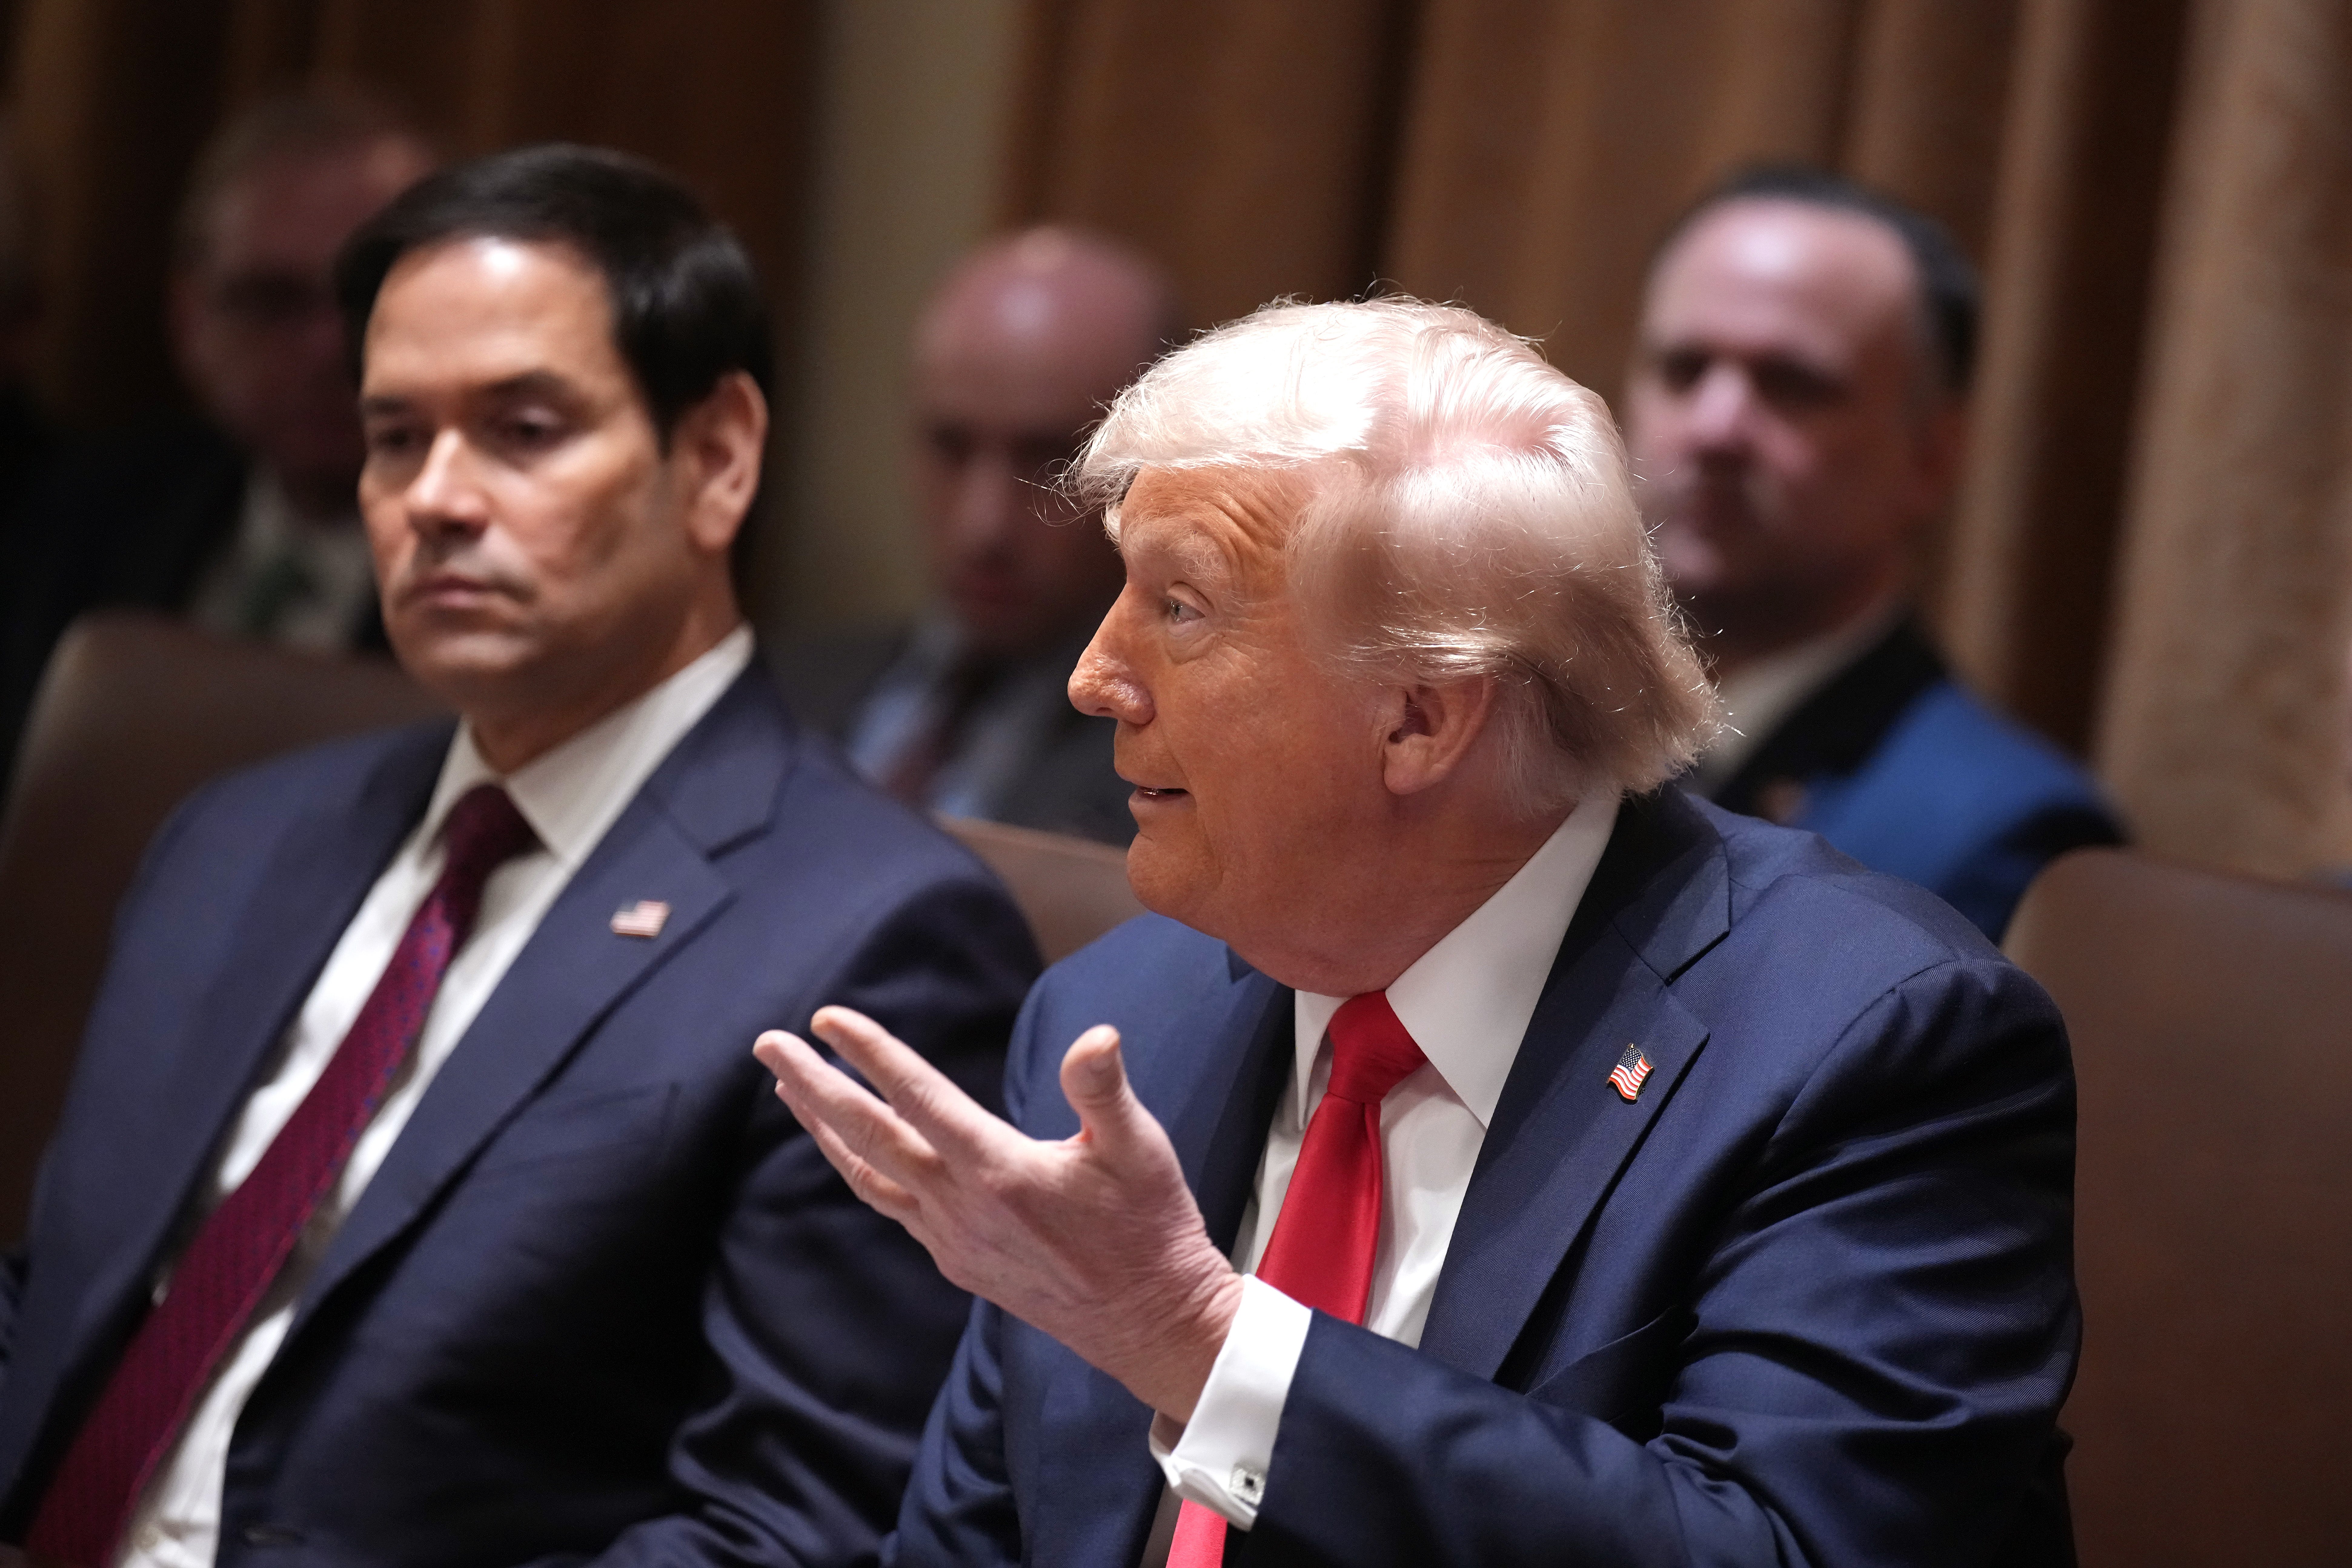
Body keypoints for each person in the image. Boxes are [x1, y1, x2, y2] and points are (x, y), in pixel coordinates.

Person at [759, 298, 2080, 1566]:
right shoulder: (1117, 1022)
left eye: (1180, 606)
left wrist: (1205, 1343)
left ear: (1422, 717)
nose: (1093, 675)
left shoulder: (1869, 1047)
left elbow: (1776, 1546)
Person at [0, 145, 1037, 1568]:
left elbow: (781, 1531)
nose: (435, 497)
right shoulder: (234, 837)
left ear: (719, 454)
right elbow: (57, 1306)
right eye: (393, 437)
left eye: (523, 428)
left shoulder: (878, 933)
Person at [1626, 164, 2121, 941]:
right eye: (1684, 370)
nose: (1716, 427)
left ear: (1929, 458)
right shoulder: (1527, 740)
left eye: (1792, 384)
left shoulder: (2004, 839)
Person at [770, 227, 1181, 845]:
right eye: (950, 447)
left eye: (1050, 461)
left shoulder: (1185, 775)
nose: (981, 526)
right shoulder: (774, 691)